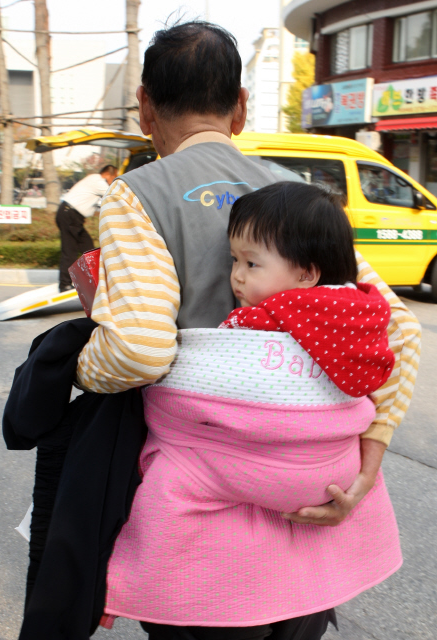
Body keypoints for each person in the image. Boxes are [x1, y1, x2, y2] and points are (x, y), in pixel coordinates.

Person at [75, 21, 421, 640]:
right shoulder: (291, 195)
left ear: (146, 108)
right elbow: (397, 329)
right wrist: (366, 466)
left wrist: (79, 365)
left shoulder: (136, 196)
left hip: (204, 527)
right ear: (240, 108)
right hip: (312, 506)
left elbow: (137, 347)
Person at [100, 181, 401, 637]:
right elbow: (385, 372)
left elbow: (197, 387)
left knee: (164, 463)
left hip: (245, 486)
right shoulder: (365, 311)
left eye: (251, 263)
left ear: (305, 274)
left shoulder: (255, 319)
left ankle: (123, 581)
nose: (236, 276)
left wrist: (158, 402)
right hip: (328, 477)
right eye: (234, 261)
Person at [55, 165, 117, 292]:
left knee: (88, 247)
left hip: (72, 217)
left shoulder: (93, 181)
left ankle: (95, 279)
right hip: (69, 215)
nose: (114, 180)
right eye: (114, 177)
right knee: (70, 251)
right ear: (108, 175)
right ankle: (64, 284)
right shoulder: (97, 181)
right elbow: (113, 194)